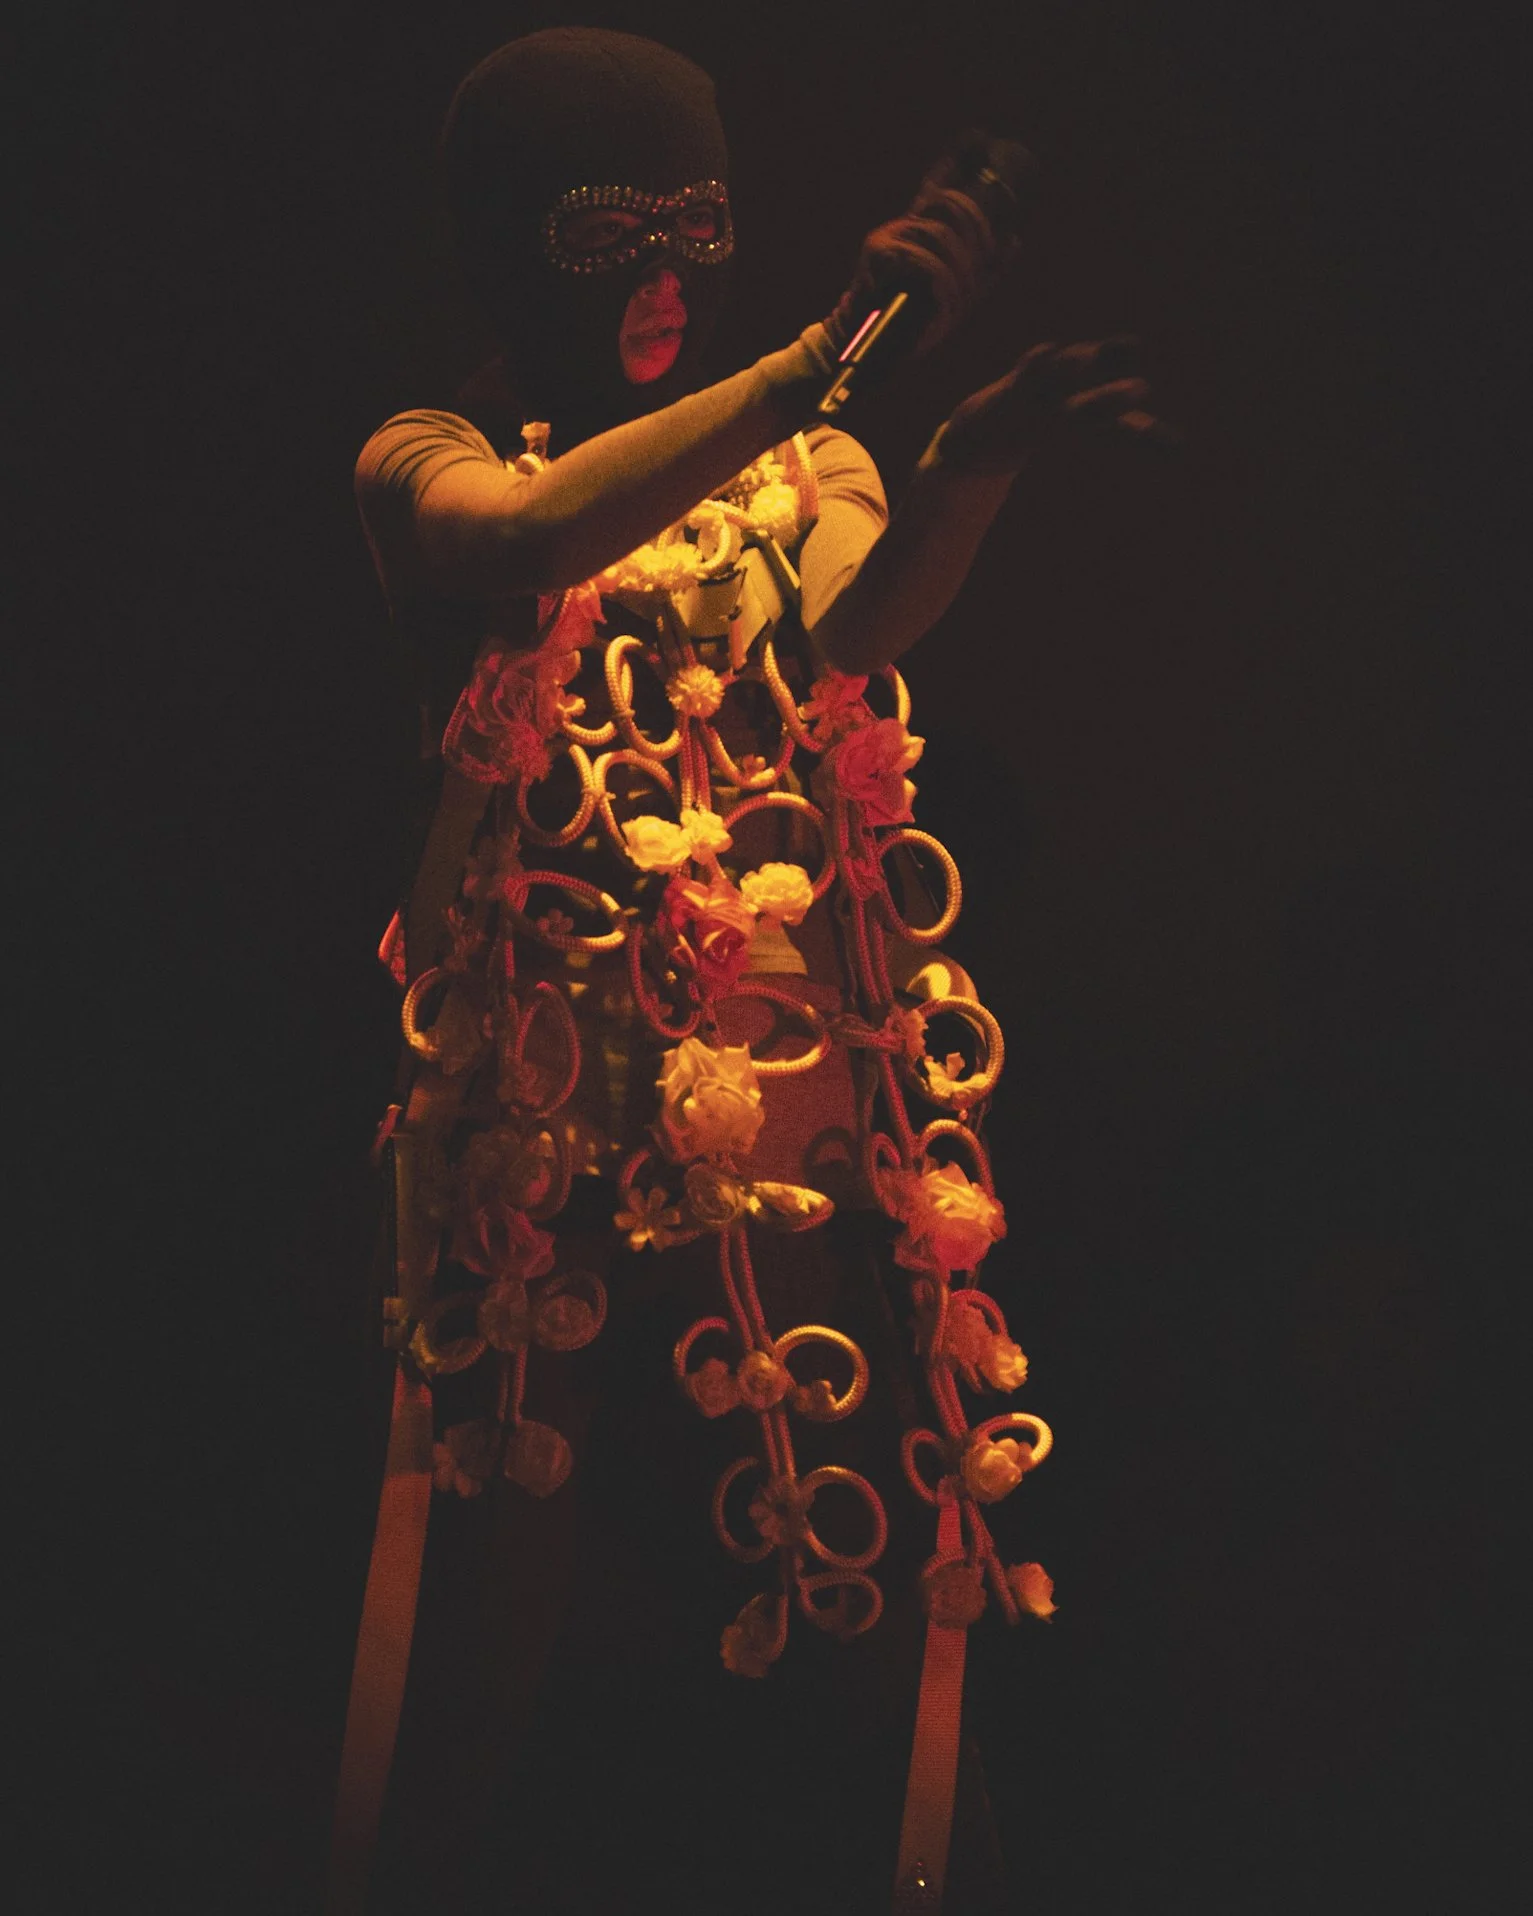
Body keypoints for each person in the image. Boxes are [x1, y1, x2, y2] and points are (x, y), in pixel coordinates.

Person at [333, 27, 1159, 1916]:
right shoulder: (427, 456)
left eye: (696, 227)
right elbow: (535, 532)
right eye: (607, 231)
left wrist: (962, 468)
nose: (664, 278)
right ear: (510, 245)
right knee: (477, 1625)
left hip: (776, 1117)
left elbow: (859, 622)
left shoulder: (802, 463)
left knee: (880, 1586)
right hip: (534, 1145)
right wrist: (816, 357)